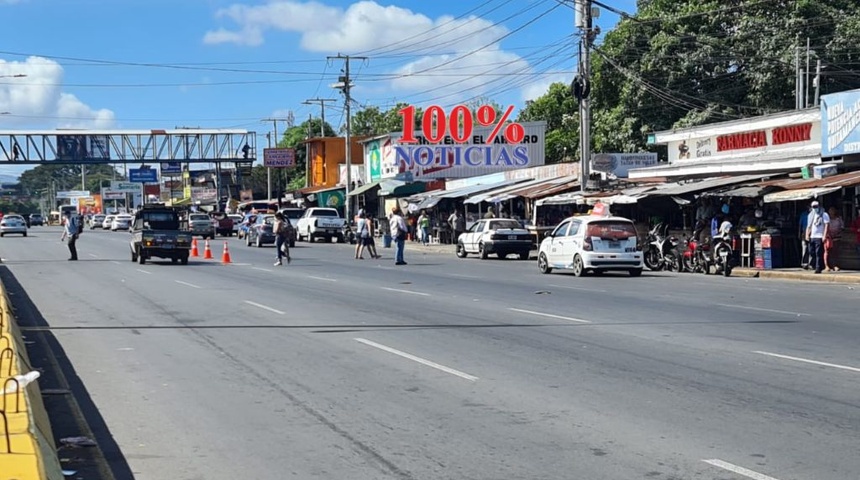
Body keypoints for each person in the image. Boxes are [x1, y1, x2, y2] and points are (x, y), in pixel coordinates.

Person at [805, 200, 830, 274]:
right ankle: (816, 264)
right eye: (813, 207)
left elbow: (826, 225)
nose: (815, 208)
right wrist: (807, 234)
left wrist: (824, 235)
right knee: (811, 251)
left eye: (816, 206)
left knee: (818, 252)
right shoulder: (811, 215)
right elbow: (809, 226)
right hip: (812, 236)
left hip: (819, 236)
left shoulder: (824, 214)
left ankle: (818, 268)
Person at [825, 206, 844, 272]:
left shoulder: (838, 219)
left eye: (833, 210)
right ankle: (826, 265)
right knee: (827, 251)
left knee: (835, 252)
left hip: (836, 237)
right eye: (830, 210)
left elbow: (842, 227)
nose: (831, 212)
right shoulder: (827, 219)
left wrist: (838, 232)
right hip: (828, 237)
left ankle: (834, 265)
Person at [799, 204, 811, 269]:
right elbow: (800, 225)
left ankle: (810, 263)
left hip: (812, 234)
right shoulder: (803, 214)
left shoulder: (814, 215)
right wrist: (799, 233)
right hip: (804, 233)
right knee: (804, 249)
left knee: (811, 250)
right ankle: (804, 263)